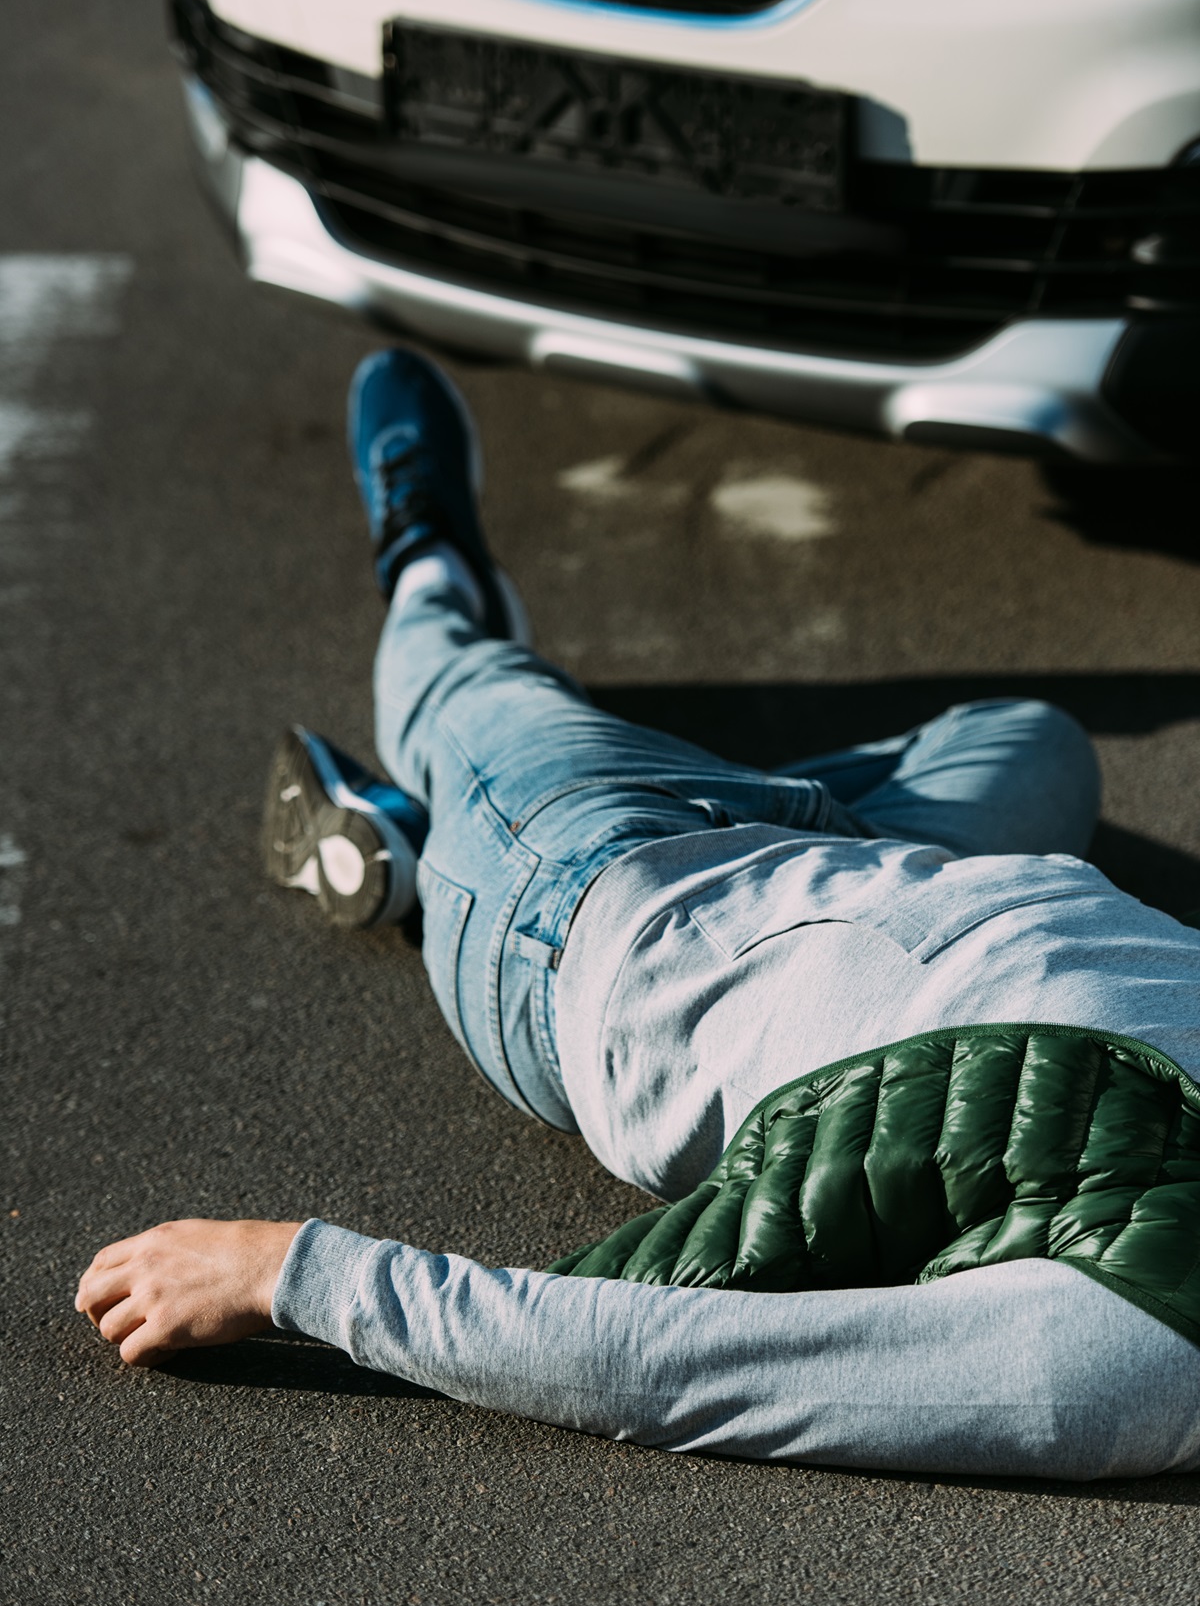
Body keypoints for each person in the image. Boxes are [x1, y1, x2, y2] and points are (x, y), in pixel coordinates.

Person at [76, 350, 1200, 1480]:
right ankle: (431, 840)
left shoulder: (1132, 1356)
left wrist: (293, 1275)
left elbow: (674, 1362)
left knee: (465, 684)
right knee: (1035, 741)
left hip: (583, 904)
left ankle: (433, 569)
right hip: (866, 854)